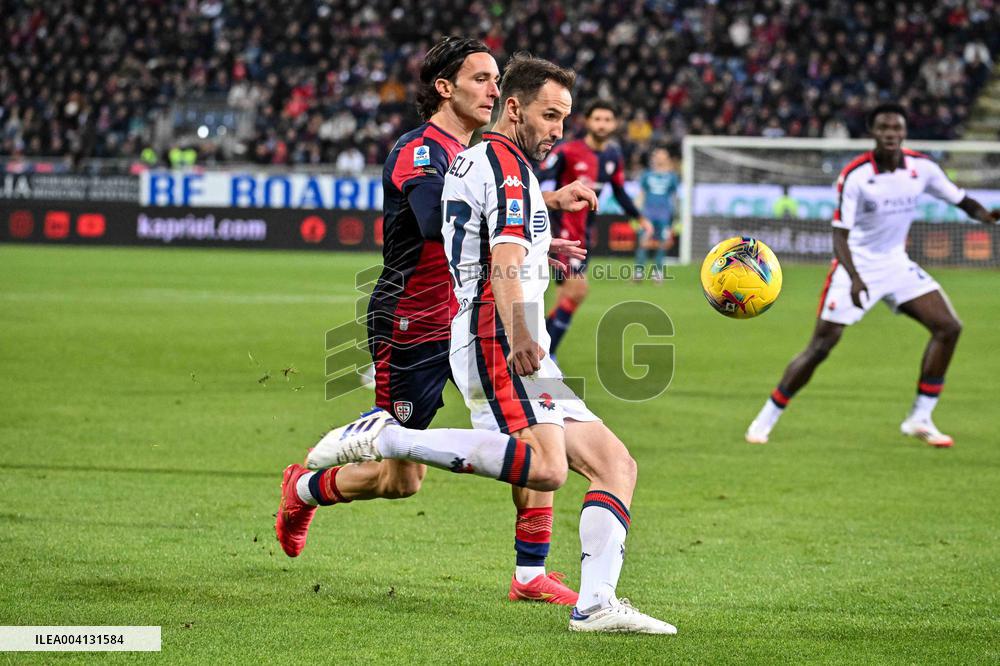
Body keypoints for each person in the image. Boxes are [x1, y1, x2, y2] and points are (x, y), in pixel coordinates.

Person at [307, 53, 677, 635]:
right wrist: (525, 334)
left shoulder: (489, 161)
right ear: (514, 108)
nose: (558, 131)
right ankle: (389, 436)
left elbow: (495, 235)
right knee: (548, 470)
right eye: (550, 116)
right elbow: (500, 255)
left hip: (498, 329)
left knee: (614, 463)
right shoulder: (502, 163)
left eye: (564, 119)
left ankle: (596, 602)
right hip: (492, 331)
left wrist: (541, 242)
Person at [275, 38, 596, 606]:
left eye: (497, 80)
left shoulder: (488, 157)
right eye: (481, 79)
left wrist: (535, 232)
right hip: (414, 323)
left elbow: (489, 225)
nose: (494, 90)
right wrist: (532, 209)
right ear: (444, 88)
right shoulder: (420, 150)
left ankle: (530, 574)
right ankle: (303, 488)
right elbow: (435, 223)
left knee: (536, 423)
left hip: (479, 319)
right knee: (400, 480)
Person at [745, 102, 999, 447]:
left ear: (904, 132)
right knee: (822, 346)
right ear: (872, 132)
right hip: (856, 264)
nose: (891, 135)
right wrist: (854, 277)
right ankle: (767, 417)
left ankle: (920, 417)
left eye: (897, 128)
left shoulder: (922, 168)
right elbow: (840, 234)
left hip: (896, 264)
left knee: (949, 327)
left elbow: (959, 198)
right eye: (884, 129)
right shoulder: (856, 175)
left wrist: (985, 215)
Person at [538, 101, 652, 358]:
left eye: (607, 119)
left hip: (584, 234)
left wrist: (640, 218)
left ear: (614, 124)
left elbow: (620, 192)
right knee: (578, 290)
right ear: (587, 122)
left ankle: (538, 348)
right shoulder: (568, 151)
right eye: (597, 119)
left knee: (568, 297)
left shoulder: (613, 156)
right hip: (561, 231)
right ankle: (547, 353)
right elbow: (538, 176)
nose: (602, 124)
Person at [633, 145, 680, 283]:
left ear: (667, 158)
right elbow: (641, 194)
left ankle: (657, 273)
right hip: (648, 214)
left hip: (664, 215)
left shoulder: (672, 177)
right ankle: (639, 272)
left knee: (662, 243)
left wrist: (675, 214)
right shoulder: (647, 174)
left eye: (662, 155)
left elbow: (674, 196)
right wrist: (637, 212)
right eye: (657, 155)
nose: (659, 158)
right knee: (643, 242)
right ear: (653, 158)